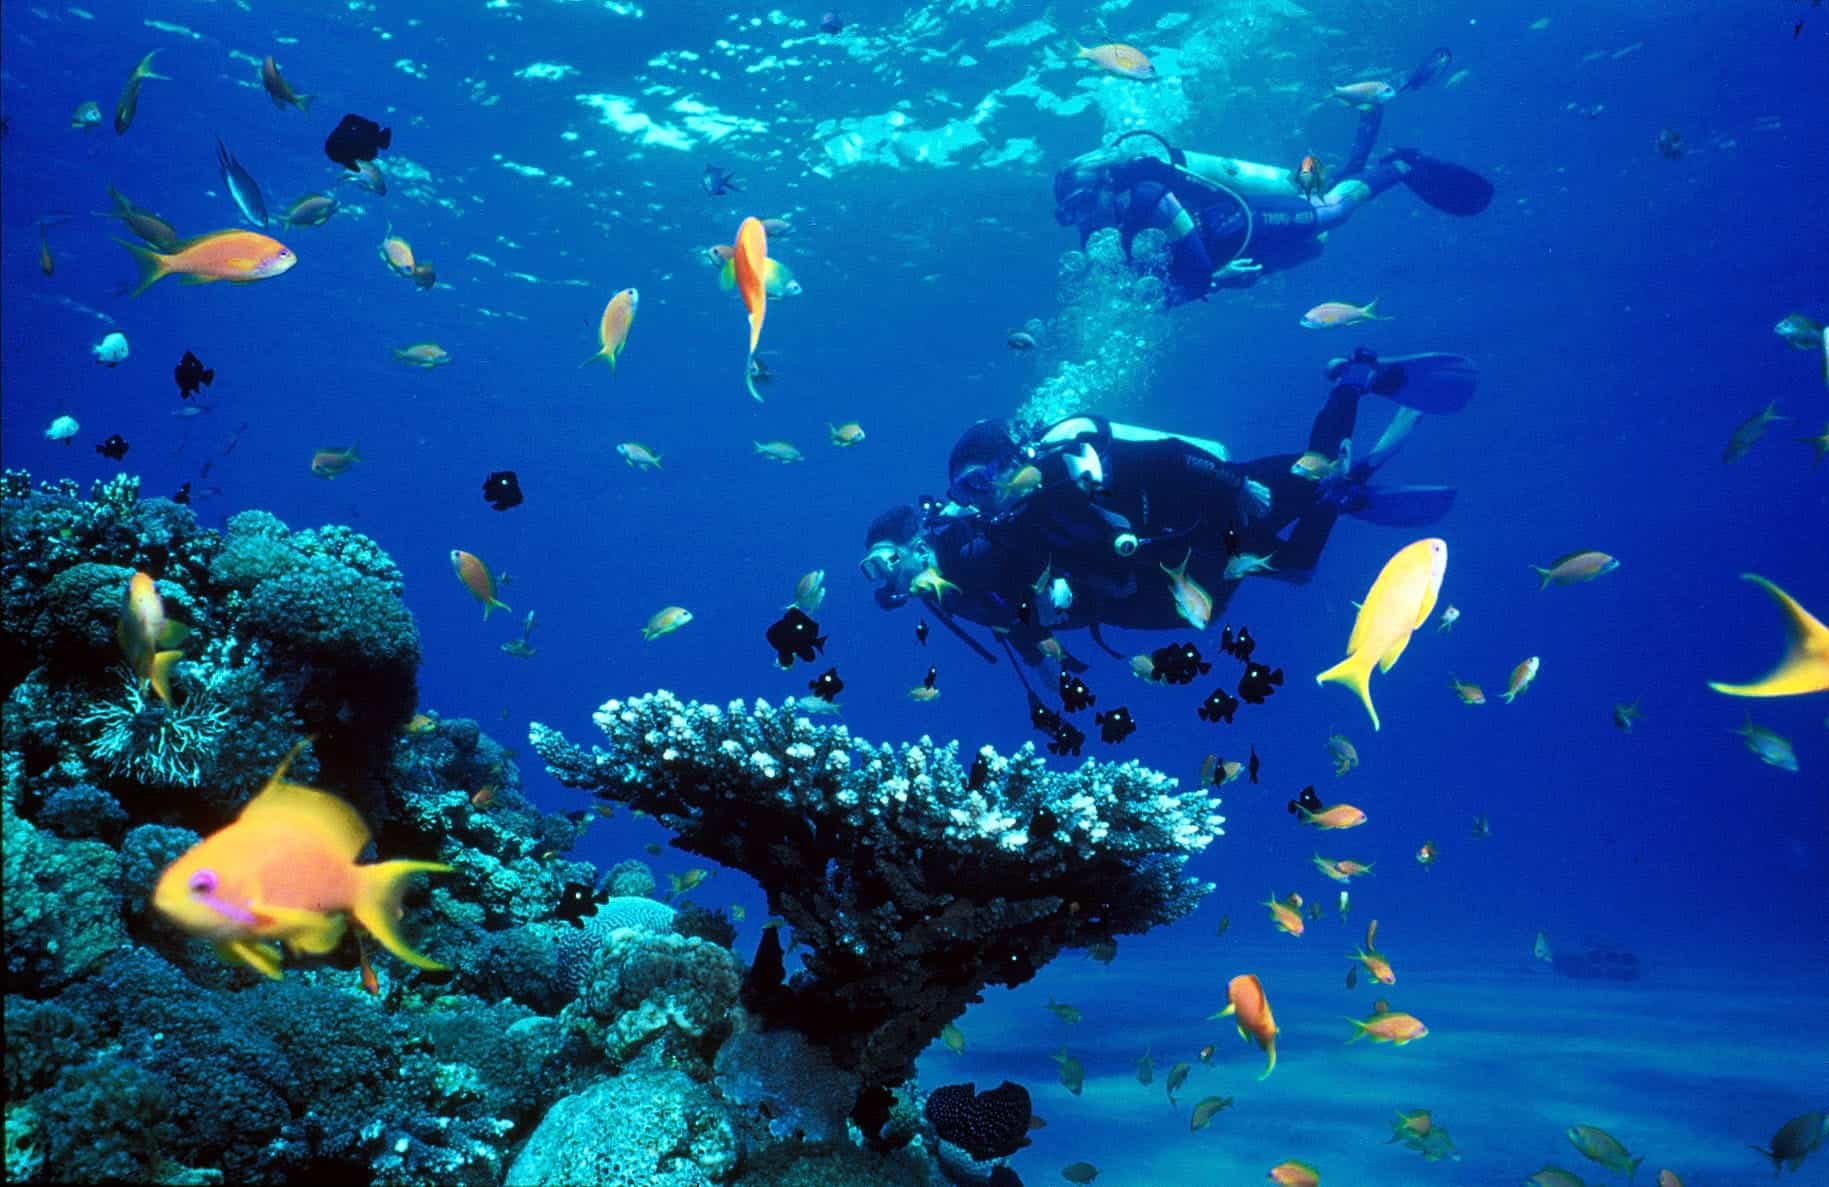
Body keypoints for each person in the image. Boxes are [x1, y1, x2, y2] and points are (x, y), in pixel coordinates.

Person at [859, 349, 1476, 661]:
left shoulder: (1061, 464)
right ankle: (1337, 498)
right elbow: (1036, 594)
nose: (984, 492)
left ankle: (1353, 379)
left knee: (1314, 468)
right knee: (1297, 568)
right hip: (1191, 547)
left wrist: (1235, 487)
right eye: (968, 489)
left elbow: (1165, 457)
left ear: (1004, 460)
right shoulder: (1007, 530)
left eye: (982, 477)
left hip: (1213, 495)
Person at [1051, 50, 1493, 306]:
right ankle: (1369, 124)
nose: (1082, 219)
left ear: (1107, 186)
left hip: (1238, 224)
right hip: (1231, 254)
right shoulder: (1099, 236)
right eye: (1069, 213)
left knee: (1332, 212)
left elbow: (1197, 265)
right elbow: (1147, 295)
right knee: (1314, 245)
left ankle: (1401, 166)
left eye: (1083, 203)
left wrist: (1211, 283)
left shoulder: (1147, 195)